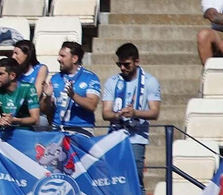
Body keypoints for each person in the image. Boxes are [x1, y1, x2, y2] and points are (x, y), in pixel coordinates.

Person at [103, 43, 162, 181]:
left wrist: (135, 113)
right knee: (114, 181)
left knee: (135, 181)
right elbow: (105, 113)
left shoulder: (150, 81)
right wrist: (118, 115)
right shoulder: (112, 82)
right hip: (115, 136)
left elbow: (155, 112)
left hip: (137, 137)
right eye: (120, 64)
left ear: (137, 62)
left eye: (127, 64)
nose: (122, 68)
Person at [48, 42, 102, 130]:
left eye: (62, 56)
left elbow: (92, 105)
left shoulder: (90, 78)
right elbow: (45, 110)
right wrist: (46, 96)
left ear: (74, 59)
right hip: (57, 129)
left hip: (81, 129)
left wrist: (73, 96)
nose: (58, 59)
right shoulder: (55, 78)